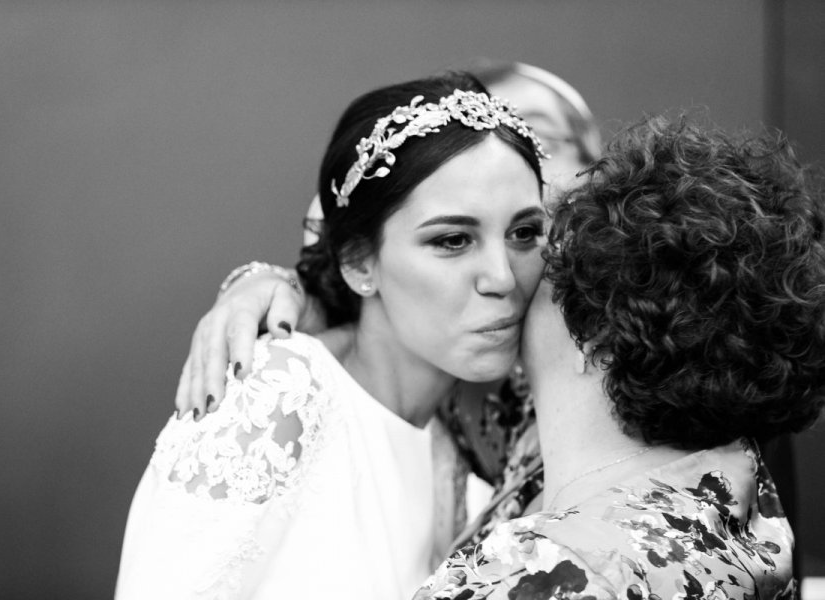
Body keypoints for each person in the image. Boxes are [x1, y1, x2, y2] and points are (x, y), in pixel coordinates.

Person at [115, 72, 548, 599]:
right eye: (453, 239)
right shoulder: (277, 392)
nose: (503, 278)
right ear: (358, 262)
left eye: (524, 233)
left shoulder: (469, 442)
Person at [414, 116, 824, 598]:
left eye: (550, 262)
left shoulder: (549, 573)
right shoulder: (730, 476)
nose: (510, 281)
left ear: (593, 337)